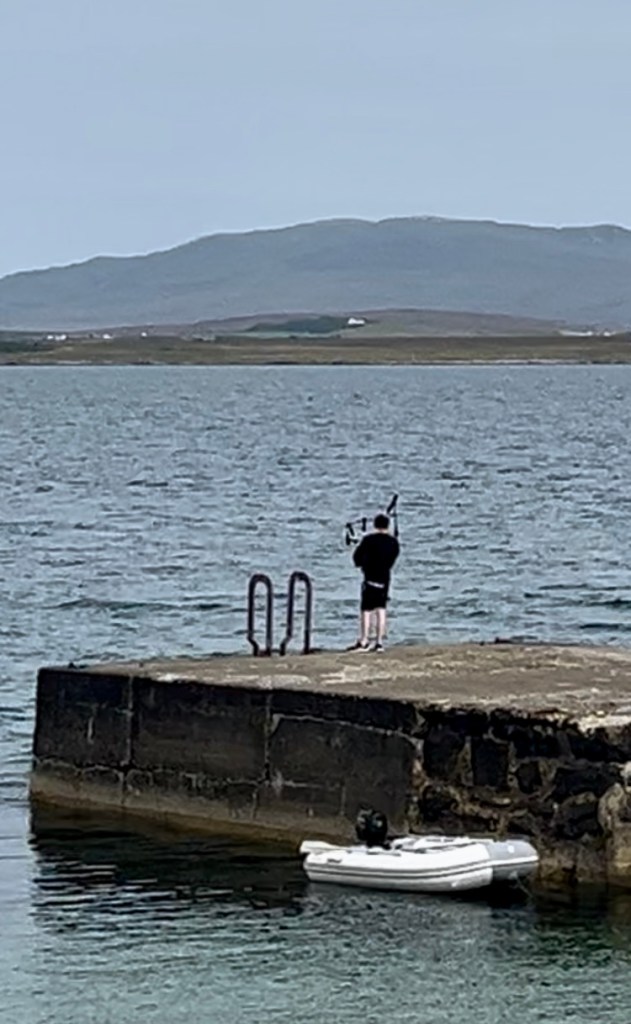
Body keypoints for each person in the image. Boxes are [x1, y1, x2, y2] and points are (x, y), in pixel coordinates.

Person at [349, 512, 399, 652]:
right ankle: (379, 642)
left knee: (366, 609)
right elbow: (393, 558)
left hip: (370, 577)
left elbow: (357, 558)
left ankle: (364, 640)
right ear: (387, 526)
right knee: (381, 608)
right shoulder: (393, 542)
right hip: (385, 577)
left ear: (375, 525)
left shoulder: (369, 540)